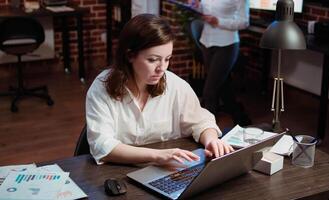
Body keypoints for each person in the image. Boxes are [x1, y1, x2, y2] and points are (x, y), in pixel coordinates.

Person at [86, 14, 233, 167]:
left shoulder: (175, 85)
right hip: (118, 172)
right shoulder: (102, 87)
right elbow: (102, 145)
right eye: (153, 60)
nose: (161, 68)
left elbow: (202, 122)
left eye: (167, 59)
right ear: (130, 56)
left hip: (168, 171)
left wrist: (211, 140)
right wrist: (157, 155)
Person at [188, 0, 251, 126]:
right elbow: (206, 11)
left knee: (209, 91)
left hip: (227, 45)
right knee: (223, 86)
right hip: (206, 42)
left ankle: (207, 130)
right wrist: (197, 6)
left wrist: (219, 22)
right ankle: (240, 118)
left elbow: (244, 22)